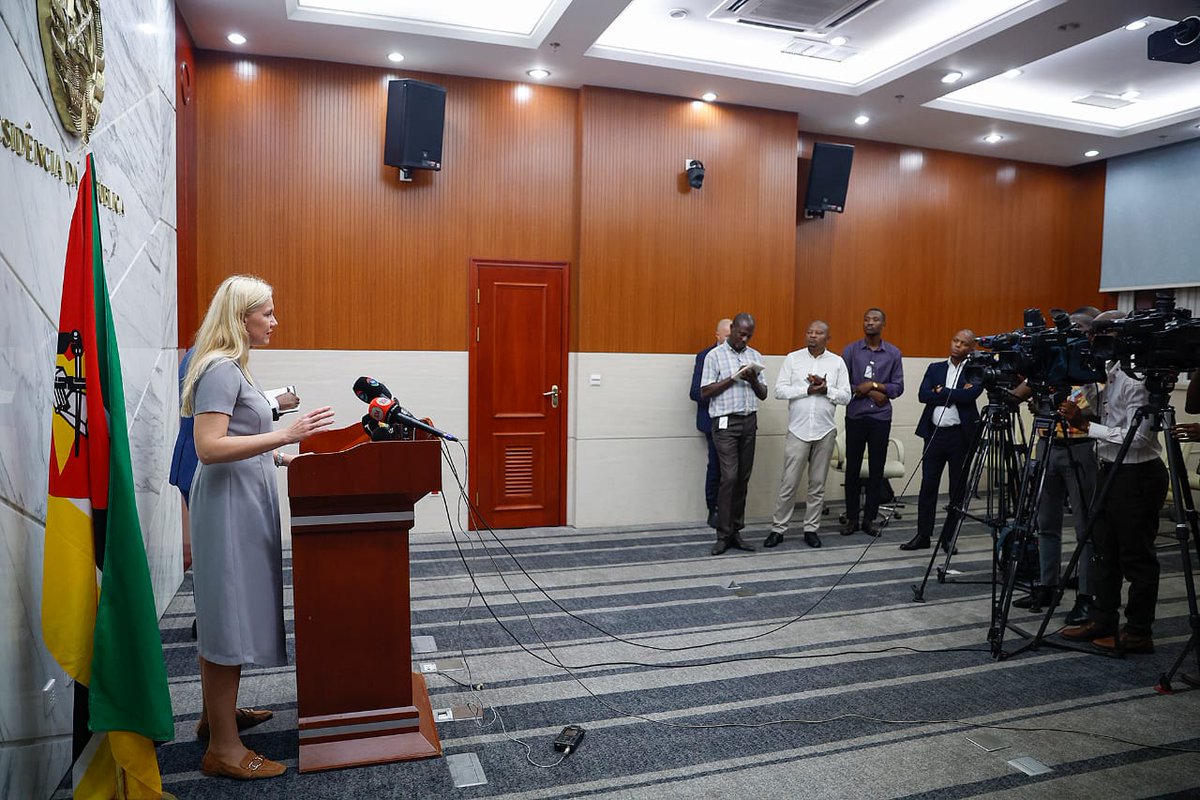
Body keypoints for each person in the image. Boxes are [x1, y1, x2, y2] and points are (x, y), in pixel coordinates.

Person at [181, 275, 335, 779]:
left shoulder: (233, 367)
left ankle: (216, 717)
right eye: (266, 313)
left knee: (233, 612)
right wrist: (283, 433)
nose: (274, 321)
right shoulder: (221, 369)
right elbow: (209, 446)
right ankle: (223, 750)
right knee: (228, 617)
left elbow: (239, 437)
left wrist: (283, 454)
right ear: (241, 316)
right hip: (227, 510)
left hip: (238, 501)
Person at [1060, 336, 1168, 654]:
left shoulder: (1139, 378)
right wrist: (1087, 421)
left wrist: (1084, 425)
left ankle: (1138, 632)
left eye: (1097, 335)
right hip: (1110, 469)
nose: (1091, 341)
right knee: (1104, 551)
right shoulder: (1112, 370)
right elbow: (1115, 425)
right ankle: (1102, 618)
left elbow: (1136, 438)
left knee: (1136, 557)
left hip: (1138, 475)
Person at [765, 320, 850, 549]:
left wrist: (826, 389)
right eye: (809, 332)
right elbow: (779, 390)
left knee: (817, 484)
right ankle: (778, 529)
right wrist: (807, 389)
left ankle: (811, 529)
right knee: (789, 482)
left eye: (818, 333)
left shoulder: (837, 362)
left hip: (825, 430)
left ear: (827, 338)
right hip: (798, 430)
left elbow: (846, 396)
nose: (812, 336)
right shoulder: (793, 358)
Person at [902, 330, 982, 551]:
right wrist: (953, 394)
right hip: (934, 434)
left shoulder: (975, 371)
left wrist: (943, 391)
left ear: (971, 348)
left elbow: (970, 396)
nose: (957, 345)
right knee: (928, 485)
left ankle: (948, 537)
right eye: (955, 340)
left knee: (957, 488)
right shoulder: (935, 368)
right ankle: (923, 535)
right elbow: (923, 395)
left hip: (961, 437)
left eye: (964, 343)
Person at [701, 313, 768, 556]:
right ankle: (722, 534)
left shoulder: (755, 356)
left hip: (749, 421)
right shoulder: (714, 356)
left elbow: (763, 394)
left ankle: (736, 532)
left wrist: (752, 380)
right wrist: (734, 377)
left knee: (742, 478)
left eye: (749, 335)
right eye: (741, 333)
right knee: (728, 477)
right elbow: (705, 391)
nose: (744, 338)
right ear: (732, 329)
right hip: (724, 423)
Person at [841, 308, 904, 537]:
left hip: (880, 418)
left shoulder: (894, 353)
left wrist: (874, 386)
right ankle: (851, 519)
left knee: (876, 471)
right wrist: (864, 390)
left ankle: (869, 519)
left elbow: (898, 387)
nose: (870, 323)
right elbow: (843, 386)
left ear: (883, 324)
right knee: (853, 471)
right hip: (856, 416)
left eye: (875, 320)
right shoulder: (850, 351)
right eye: (866, 319)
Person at [690, 318, 732, 528]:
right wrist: (721, 390)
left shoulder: (741, 357)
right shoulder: (705, 356)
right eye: (727, 336)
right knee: (716, 466)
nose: (730, 340)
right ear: (717, 335)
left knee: (734, 470)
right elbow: (695, 393)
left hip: (736, 422)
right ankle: (713, 509)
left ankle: (730, 510)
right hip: (713, 421)